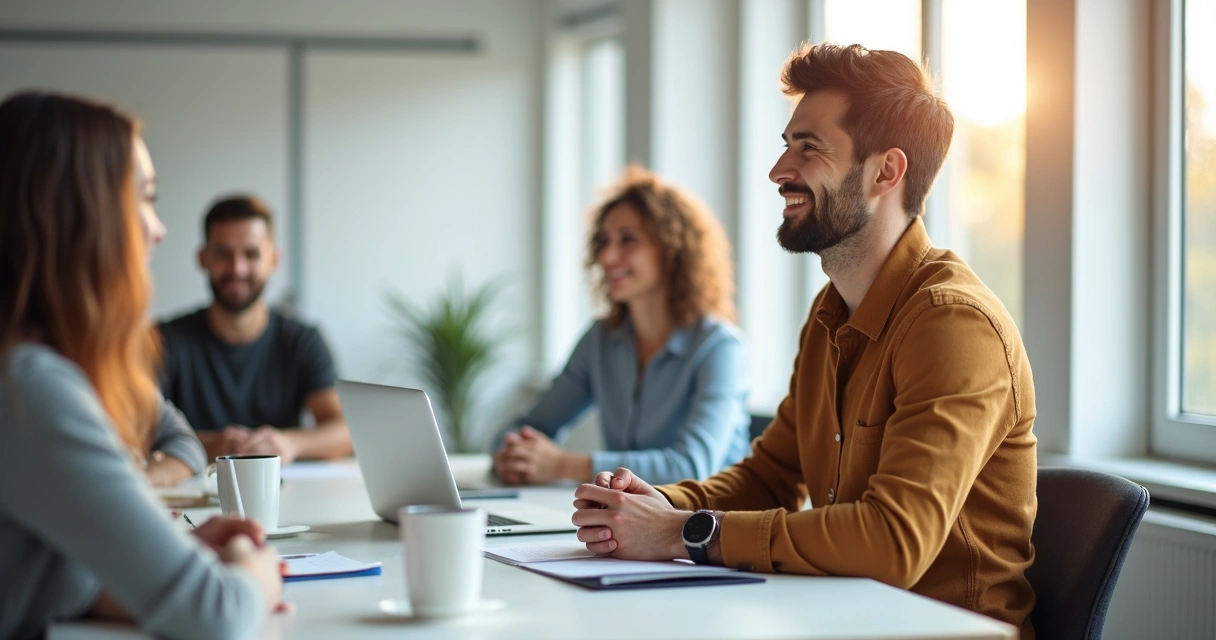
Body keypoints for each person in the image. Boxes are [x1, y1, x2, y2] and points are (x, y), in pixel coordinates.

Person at [570, 44, 1038, 637]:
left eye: (808, 147)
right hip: (844, 620)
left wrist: (679, 533)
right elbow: (769, 477)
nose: (778, 170)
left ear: (885, 172)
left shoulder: (953, 324)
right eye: (787, 143)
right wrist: (659, 503)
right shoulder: (830, 313)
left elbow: (894, 541)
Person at [0, 91, 285, 640]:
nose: (159, 229)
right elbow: (216, 616)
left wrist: (159, 560)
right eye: (145, 200)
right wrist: (257, 573)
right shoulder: (29, 386)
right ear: (82, 216)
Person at [493, 167, 751, 487]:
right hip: (627, 520)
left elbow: (691, 466)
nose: (607, 256)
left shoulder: (719, 347)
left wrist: (561, 464)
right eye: (604, 242)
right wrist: (512, 453)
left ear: (673, 250)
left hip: (705, 525)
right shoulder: (601, 340)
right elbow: (531, 425)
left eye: (628, 240)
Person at [159, 195, 351, 464]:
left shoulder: (302, 340)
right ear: (203, 259)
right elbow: (136, 428)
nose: (237, 268)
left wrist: (290, 443)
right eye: (223, 254)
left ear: (273, 259)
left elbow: (345, 432)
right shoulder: (164, 341)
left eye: (252, 254)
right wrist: (212, 444)